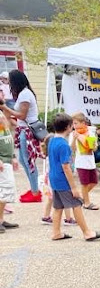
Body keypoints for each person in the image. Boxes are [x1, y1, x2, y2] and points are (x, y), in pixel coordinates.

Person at [47, 113, 100, 242]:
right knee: (76, 205)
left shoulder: (52, 140)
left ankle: (56, 232)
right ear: (68, 127)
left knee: (58, 207)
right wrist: (73, 187)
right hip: (63, 180)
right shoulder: (63, 145)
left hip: (54, 178)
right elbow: (66, 167)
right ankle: (87, 232)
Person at [0, 69, 43, 202]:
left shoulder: (24, 95)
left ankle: (35, 192)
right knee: (24, 161)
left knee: (28, 161)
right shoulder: (24, 93)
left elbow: (22, 115)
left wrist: (6, 108)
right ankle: (34, 188)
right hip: (24, 129)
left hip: (28, 131)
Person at [70, 112, 99, 210]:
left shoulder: (90, 132)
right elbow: (72, 149)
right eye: (73, 123)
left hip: (90, 161)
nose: (74, 126)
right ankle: (87, 202)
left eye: (76, 123)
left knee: (94, 181)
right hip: (81, 162)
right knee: (84, 183)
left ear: (83, 123)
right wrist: (74, 139)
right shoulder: (73, 134)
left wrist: (93, 145)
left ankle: (81, 197)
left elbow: (94, 148)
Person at [0, 111, 18, 233]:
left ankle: (1, 219)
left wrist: (12, 155)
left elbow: (7, 135)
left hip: (7, 159)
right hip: (2, 161)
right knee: (5, 189)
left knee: (5, 190)